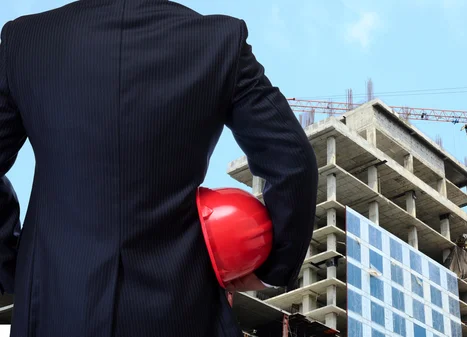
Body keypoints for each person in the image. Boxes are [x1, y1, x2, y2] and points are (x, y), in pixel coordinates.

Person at [0, 0, 319, 336]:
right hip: (183, 304)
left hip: (54, 303)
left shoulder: (24, 40)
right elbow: (294, 160)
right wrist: (270, 268)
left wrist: (12, 265)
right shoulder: (220, 39)